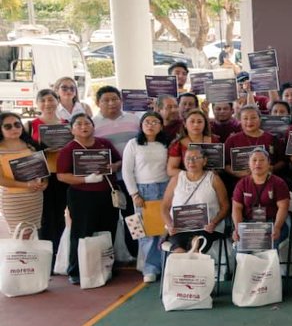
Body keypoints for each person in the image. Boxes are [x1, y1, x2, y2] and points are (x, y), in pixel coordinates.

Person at [55, 114, 122, 285]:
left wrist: (113, 166)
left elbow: (119, 161)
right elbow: (62, 175)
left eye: (87, 123)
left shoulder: (104, 144)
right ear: (72, 129)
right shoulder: (69, 149)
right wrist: (85, 179)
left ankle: (105, 266)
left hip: (107, 194)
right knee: (82, 232)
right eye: (78, 124)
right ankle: (76, 270)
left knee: (107, 230)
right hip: (82, 196)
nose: (83, 127)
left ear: (93, 126)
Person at [121, 112, 170, 282]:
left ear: (161, 126)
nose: (150, 125)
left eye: (155, 122)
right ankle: (149, 269)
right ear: (141, 125)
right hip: (143, 191)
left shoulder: (166, 144)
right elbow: (126, 171)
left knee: (164, 229)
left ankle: (166, 265)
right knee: (146, 231)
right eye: (147, 122)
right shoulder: (133, 144)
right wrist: (134, 193)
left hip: (165, 188)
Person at [161, 144, 230, 253]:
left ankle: (192, 255)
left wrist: (214, 223)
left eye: (195, 158)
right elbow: (164, 207)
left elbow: (225, 206)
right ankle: (185, 258)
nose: (191, 162)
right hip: (179, 229)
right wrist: (170, 225)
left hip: (207, 229)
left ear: (204, 161)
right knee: (179, 250)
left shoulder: (214, 179)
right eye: (188, 158)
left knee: (197, 245)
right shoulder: (176, 179)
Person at [29, 88, 68, 253]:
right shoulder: (31, 125)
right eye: (43, 100)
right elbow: (27, 151)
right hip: (42, 176)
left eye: (51, 99)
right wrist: (43, 150)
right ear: (37, 104)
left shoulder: (67, 123)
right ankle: (47, 255)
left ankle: (59, 254)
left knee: (60, 215)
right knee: (44, 217)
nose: (47, 104)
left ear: (57, 101)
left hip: (63, 175)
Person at [231, 147, 291, 249]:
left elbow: (283, 207)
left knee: (267, 249)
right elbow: (236, 208)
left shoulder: (278, 183)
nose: (258, 163)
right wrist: (238, 229)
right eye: (254, 160)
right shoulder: (242, 184)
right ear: (249, 163)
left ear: (268, 163)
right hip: (249, 224)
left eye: (262, 160)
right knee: (242, 250)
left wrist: (277, 227)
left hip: (272, 223)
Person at [0, 112, 47, 235]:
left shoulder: (31, 145)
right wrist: (26, 185)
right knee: (18, 235)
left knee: (33, 233)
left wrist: (44, 183)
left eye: (17, 124)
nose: (14, 129)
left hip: (35, 197)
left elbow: (42, 169)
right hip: (13, 200)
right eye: (8, 126)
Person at [225, 105, 284, 179]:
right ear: (240, 121)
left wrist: (272, 168)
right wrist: (235, 173)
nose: (249, 121)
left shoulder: (272, 138)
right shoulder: (232, 140)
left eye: (253, 118)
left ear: (260, 119)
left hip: (268, 180)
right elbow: (225, 164)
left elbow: (283, 161)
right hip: (241, 181)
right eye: (245, 118)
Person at [167, 109, 218, 177]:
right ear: (185, 124)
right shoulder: (178, 144)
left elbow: (217, 168)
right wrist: (192, 175)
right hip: (185, 179)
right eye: (192, 121)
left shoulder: (214, 140)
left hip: (210, 178)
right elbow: (171, 170)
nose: (196, 125)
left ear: (205, 124)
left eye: (199, 122)